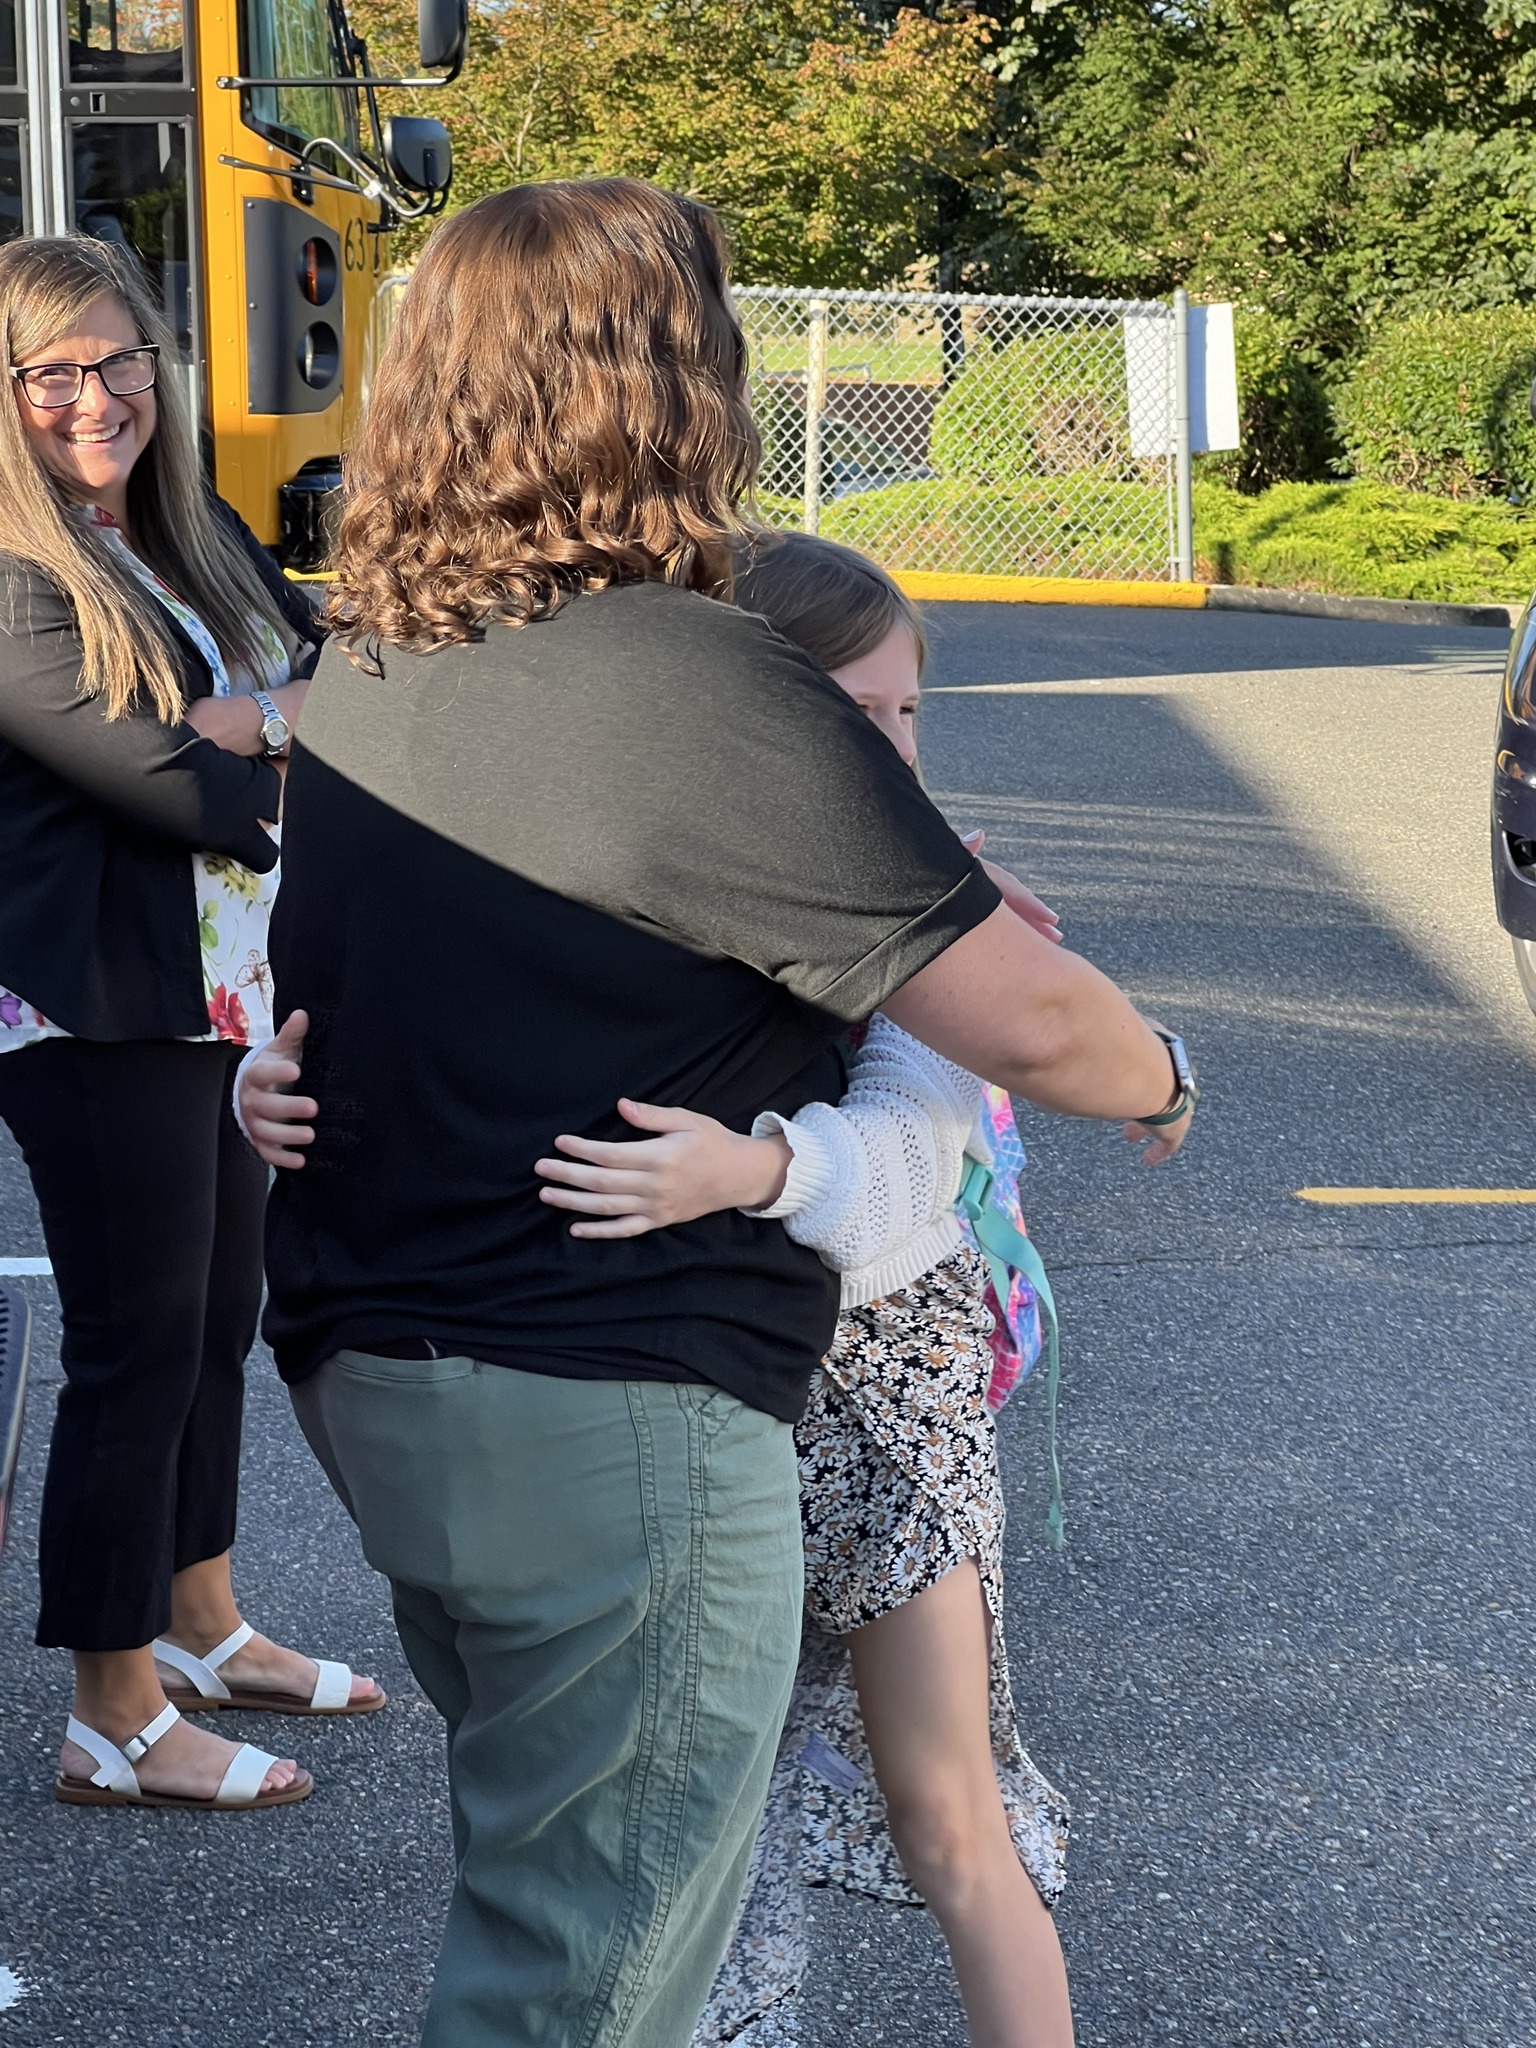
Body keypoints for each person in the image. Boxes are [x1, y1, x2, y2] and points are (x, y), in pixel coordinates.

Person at [240, 179, 1194, 2048]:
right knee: (587, 1982)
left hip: (384, 1374)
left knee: (550, 1898)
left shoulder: (373, 660)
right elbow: (1038, 1020)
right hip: (606, 1413)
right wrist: (1171, 1078)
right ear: (665, 378)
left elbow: (337, 1003)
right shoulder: (691, 678)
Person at [528, 531, 1164, 2048]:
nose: (885, 750)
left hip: (889, 1417)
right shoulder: (655, 873)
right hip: (705, 1408)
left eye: (905, 715)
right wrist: (268, 1092)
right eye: (845, 716)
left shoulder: (938, 916)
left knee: (953, 1819)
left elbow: (902, 1182)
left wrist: (749, 1171)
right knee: (705, 1831)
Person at [0, 233, 381, 1816]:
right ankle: (112, 1712)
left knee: (218, 1319)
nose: (96, 397)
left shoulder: (186, 531)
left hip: (226, 987)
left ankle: (203, 1624)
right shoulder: (15, 577)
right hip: (93, 1006)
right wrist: (252, 738)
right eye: (52, 373)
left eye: (119, 360)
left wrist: (262, 720)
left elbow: (333, 683)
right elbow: (168, 782)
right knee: (135, 1346)